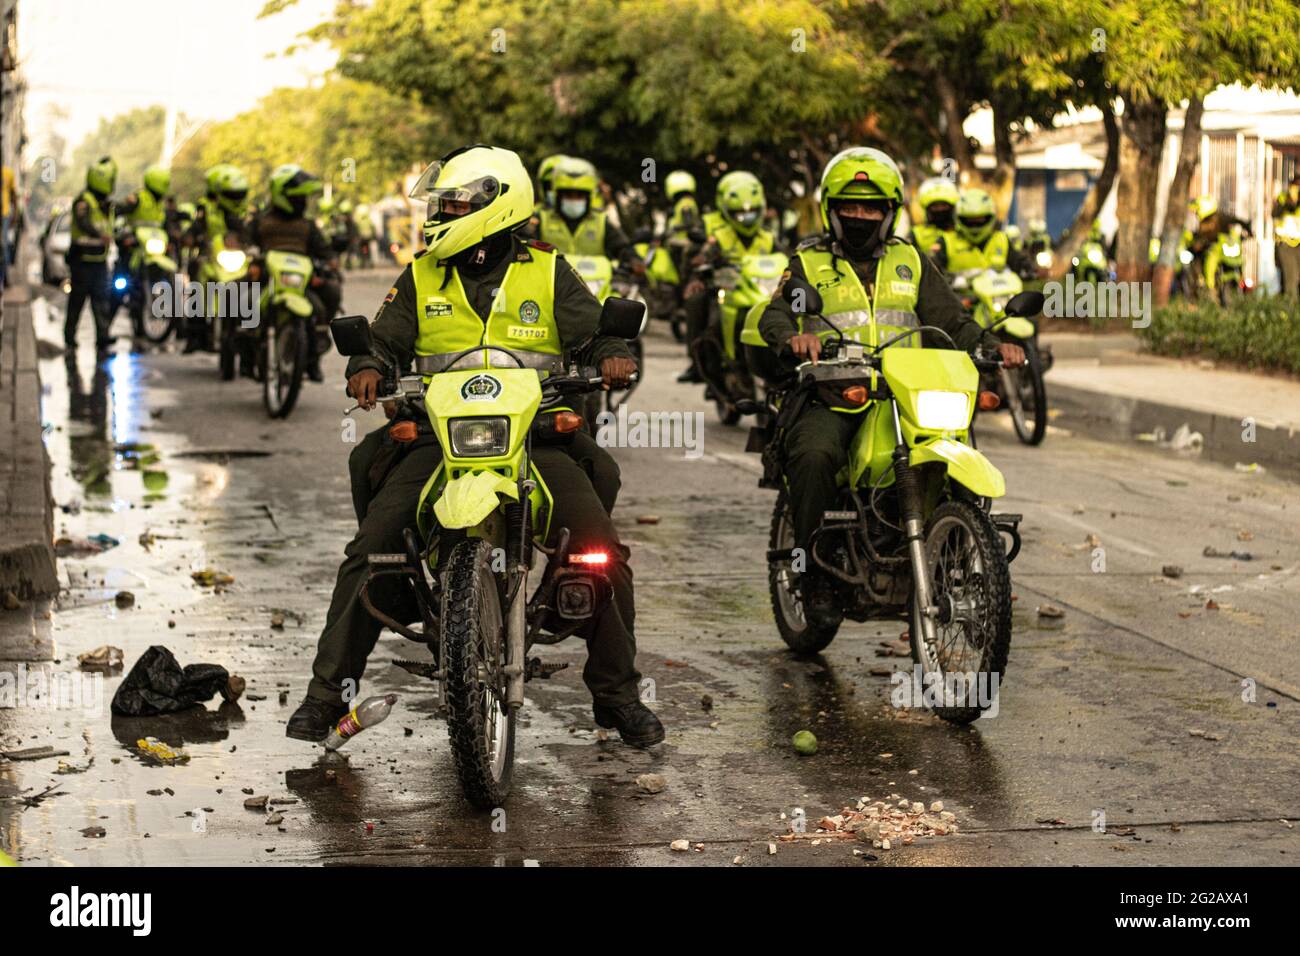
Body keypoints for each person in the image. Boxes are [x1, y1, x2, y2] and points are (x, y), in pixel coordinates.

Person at [285, 144, 663, 749]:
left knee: (602, 554)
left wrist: (612, 355)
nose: (442, 214)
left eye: (454, 204)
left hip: (535, 444)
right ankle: (328, 694)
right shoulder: (422, 274)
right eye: (443, 204)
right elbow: (381, 342)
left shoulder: (547, 271)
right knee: (371, 551)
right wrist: (366, 365)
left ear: (497, 205)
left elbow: (593, 336)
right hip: (440, 446)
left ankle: (616, 695)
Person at [756, 147, 1025, 629]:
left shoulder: (911, 260)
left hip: (904, 391)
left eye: (871, 207)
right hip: (836, 393)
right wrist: (793, 336)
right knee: (815, 455)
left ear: (889, 211)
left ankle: (952, 547)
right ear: (832, 211)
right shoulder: (808, 262)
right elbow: (777, 312)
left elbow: (952, 320)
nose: (861, 216)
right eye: (850, 207)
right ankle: (813, 576)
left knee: (956, 445)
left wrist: (991, 344)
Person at [679, 170, 778, 382]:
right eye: (739, 213)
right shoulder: (710, 226)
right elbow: (692, 256)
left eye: (752, 212)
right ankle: (698, 361)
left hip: (756, 288)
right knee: (697, 301)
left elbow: (785, 258)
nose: (746, 218)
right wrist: (699, 268)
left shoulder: (767, 235)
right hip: (719, 285)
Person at [247, 164, 341, 382]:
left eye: (304, 198)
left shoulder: (308, 225)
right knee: (239, 299)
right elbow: (244, 240)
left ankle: (312, 357)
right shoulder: (261, 221)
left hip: (299, 282)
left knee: (329, 294)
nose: (302, 202)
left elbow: (324, 250)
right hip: (266, 279)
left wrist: (331, 262)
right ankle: (243, 352)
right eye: (298, 198)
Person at [184, 163, 251, 354]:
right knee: (197, 282)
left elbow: (253, 232)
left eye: (239, 194)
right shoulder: (207, 209)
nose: (236, 198)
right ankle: (194, 334)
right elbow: (195, 228)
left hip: (239, 260)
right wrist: (192, 237)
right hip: (212, 257)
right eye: (231, 194)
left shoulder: (247, 212)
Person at [65, 157, 118, 352]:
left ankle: (102, 337)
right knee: (77, 301)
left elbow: (112, 226)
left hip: (100, 260)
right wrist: (99, 235)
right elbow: (83, 222)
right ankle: (69, 338)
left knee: (101, 300)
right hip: (82, 260)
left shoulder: (104, 204)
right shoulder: (84, 201)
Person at [931, 187, 1032, 276]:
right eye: (970, 220)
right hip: (959, 296)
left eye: (979, 219)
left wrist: (1032, 270)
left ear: (990, 218)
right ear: (959, 218)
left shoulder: (1001, 239)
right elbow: (933, 272)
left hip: (1000, 295)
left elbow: (1021, 266)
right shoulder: (946, 241)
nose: (975, 224)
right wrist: (951, 279)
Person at [1187, 195, 1251, 296]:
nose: (1196, 213)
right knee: (1202, 262)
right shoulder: (1202, 223)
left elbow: (1238, 221)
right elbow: (1198, 238)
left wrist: (1248, 231)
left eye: (1198, 210)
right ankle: (1208, 287)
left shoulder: (1220, 218)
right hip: (1211, 251)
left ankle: (1240, 285)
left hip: (1224, 252)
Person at [909, 176, 959, 256]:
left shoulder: (962, 232)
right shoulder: (916, 234)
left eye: (944, 205)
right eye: (935, 206)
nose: (940, 210)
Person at [1271, 175, 1300, 297]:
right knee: (1291, 279)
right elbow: (1275, 213)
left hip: (1298, 244)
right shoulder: (1283, 198)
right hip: (1285, 244)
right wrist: (1290, 201)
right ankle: (1289, 310)